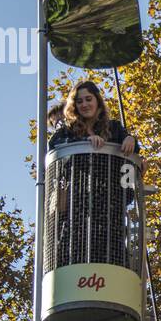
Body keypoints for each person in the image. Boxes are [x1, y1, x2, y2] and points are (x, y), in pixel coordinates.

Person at [47, 80, 142, 268]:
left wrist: (131, 139)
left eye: (88, 99)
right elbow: (55, 149)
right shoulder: (66, 132)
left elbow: (133, 151)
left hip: (108, 206)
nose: (84, 105)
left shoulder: (113, 128)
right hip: (77, 206)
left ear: (98, 101)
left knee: (110, 248)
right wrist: (85, 141)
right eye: (79, 101)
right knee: (74, 248)